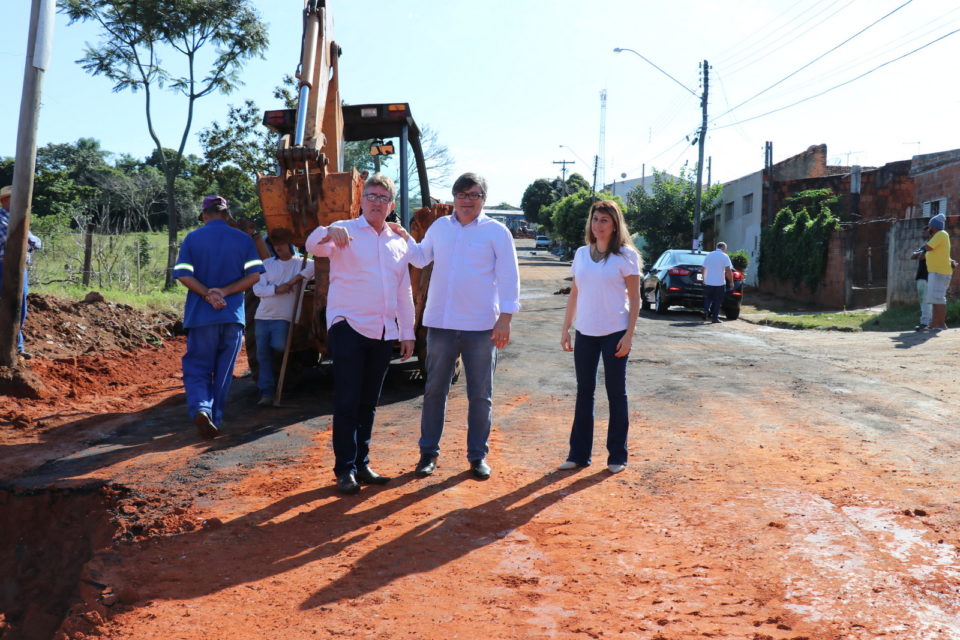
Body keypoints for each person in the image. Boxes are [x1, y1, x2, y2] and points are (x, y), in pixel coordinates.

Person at [395, 172, 520, 480]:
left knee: (480, 394)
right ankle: (428, 454)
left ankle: (477, 456)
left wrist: (505, 319)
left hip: (482, 327)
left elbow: (509, 277)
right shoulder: (440, 227)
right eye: (462, 195)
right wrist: (400, 235)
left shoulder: (497, 232)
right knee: (435, 390)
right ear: (453, 198)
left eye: (474, 195)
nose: (467, 200)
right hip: (441, 323)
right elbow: (421, 258)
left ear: (483, 199)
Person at [305, 174, 415, 495]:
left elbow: (403, 290)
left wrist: (406, 332)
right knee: (347, 400)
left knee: (369, 402)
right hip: (349, 326)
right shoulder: (344, 231)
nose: (376, 202)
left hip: (383, 331)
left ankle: (362, 462)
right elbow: (312, 246)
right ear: (361, 200)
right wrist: (327, 230)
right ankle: (345, 469)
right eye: (371, 196)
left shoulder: (398, 242)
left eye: (383, 197)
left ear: (391, 205)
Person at [558, 200, 641, 474]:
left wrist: (629, 334)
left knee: (616, 393)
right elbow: (575, 293)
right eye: (595, 219)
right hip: (585, 332)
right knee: (584, 392)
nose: (598, 225)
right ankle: (578, 455)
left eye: (604, 220)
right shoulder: (581, 254)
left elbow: (636, 298)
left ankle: (617, 455)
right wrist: (566, 327)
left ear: (615, 224)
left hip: (615, 332)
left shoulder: (626, 256)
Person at [173, 195, 265, 439]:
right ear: (227, 214)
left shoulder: (192, 238)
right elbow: (255, 276)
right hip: (233, 316)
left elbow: (183, 275)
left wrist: (207, 294)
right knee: (223, 372)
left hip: (201, 316)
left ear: (204, 215)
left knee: (197, 367)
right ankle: (216, 415)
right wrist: (224, 292)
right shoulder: (243, 239)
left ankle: (202, 408)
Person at [251, 227, 315, 406]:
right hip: (262, 317)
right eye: (275, 245)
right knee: (263, 355)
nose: (277, 248)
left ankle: (284, 380)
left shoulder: (302, 263)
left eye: (280, 244)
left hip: (284, 317)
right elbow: (257, 290)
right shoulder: (266, 264)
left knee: (279, 346)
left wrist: (294, 280)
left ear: (289, 244)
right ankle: (266, 393)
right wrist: (277, 289)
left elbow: (316, 267)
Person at [0, 185, 42, 358]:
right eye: (13, 198)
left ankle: (16, 346)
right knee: (9, 305)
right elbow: (15, 240)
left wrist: (29, 241)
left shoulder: (16, 218)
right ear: (4, 201)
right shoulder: (2, 219)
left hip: (20, 267)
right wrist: (28, 241)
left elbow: (37, 243)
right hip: (3, 266)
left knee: (19, 307)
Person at [922, 213, 952, 332]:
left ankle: (941, 324)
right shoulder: (939, 235)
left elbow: (928, 247)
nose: (929, 228)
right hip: (937, 272)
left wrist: (928, 236)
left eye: (930, 226)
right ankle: (934, 324)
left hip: (940, 272)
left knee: (938, 298)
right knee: (935, 299)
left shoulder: (941, 234)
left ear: (934, 226)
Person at [701, 241, 734, 323]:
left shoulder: (709, 255)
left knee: (708, 298)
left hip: (708, 282)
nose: (725, 250)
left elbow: (703, 268)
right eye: (725, 249)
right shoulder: (724, 256)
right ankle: (714, 318)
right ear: (723, 248)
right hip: (720, 283)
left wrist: (704, 279)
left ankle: (706, 310)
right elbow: (728, 270)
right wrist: (731, 282)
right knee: (717, 301)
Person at [910, 233, 931, 331]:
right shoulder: (925, 246)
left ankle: (926, 323)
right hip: (921, 277)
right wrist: (922, 253)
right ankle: (927, 323)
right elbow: (913, 256)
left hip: (928, 277)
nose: (924, 234)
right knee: (924, 301)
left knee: (927, 301)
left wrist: (922, 253)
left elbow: (921, 256)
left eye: (927, 231)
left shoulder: (933, 247)